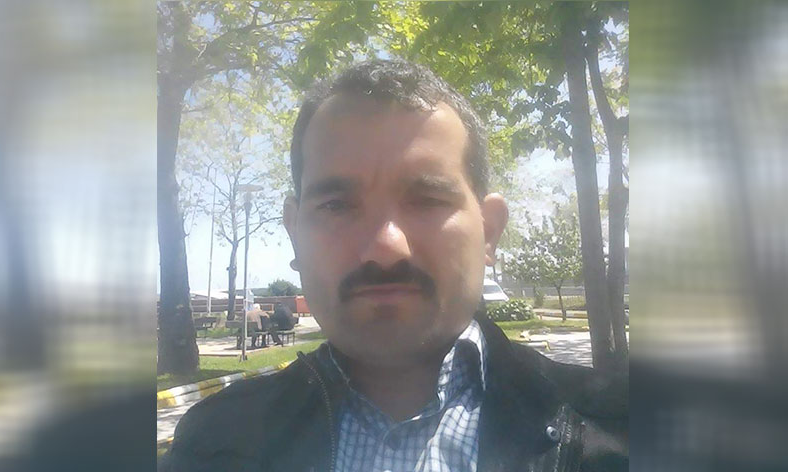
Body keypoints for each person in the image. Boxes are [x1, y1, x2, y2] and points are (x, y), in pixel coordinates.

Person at [160, 59, 627, 472]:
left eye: (427, 199)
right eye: (337, 205)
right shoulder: (213, 441)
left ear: (488, 231)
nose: (385, 248)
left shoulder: (624, 430)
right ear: (294, 231)